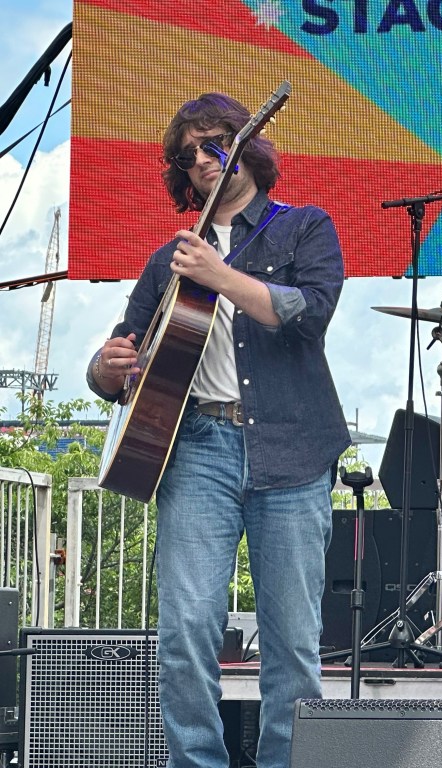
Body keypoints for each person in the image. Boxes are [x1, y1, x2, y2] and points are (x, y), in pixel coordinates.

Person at [86, 92, 349, 768]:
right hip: (195, 447)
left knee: (292, 640)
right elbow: (119, 354)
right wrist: (107, 366)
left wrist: (220, 275)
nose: (201, 159)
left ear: (248, 144)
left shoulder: (304, 227)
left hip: (292, 448)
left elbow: (306, 314)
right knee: (184, 630)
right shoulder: (171, 257)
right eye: (188, 153)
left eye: (214, 144)